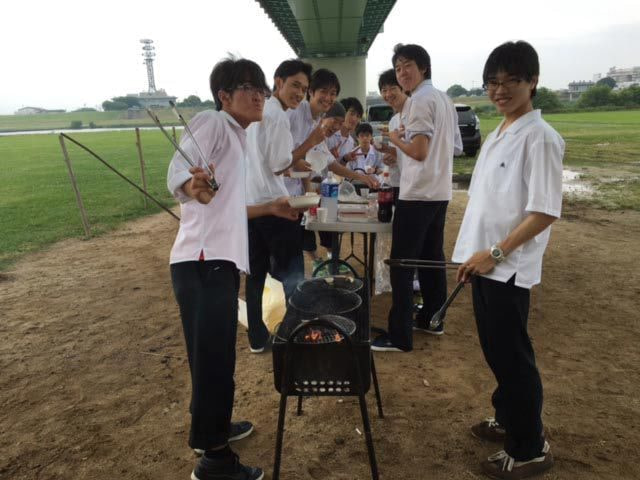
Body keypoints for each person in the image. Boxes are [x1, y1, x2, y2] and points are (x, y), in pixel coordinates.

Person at [167, 57, 300, 480]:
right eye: (250, 88)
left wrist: (272, 208)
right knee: (214, 361)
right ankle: (214, 461)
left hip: (215, 263)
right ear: (224, 96)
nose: (260, 95)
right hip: (203, 262)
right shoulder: (213, 122)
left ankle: (215, 428)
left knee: (211, 356)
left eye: (262, 88)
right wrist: (192, 185)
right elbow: (178, 172)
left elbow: (231, 208)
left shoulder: (238, 136)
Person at [452, 41, 563, 480]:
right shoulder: (500, 132)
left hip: (507, 267)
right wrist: (472, 255)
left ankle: (529, 448)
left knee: (513, 357)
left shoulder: (541, 138)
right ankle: (508, 418)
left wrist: (495, 253)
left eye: (511, 81)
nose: (500, 90)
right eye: (492, 83)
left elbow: (544, 211)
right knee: (497, 351)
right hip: (484, 263)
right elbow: (489, 203)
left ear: (532, 82)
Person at [372, 44, 462, 352]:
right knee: (431, 259)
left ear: (423, 67)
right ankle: (432, 319)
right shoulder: (445, 99)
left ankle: (399, 337)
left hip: (418, 193)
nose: (402, 73)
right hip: (439, 191)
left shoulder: (420, 100)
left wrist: (395, 139)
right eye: (398, 68)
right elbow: (453, 148)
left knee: (402, 263)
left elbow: (420, 152)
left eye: (407, 66)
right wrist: (400, 150)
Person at [244, 59, 312, 354]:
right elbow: (278, 164)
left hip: (251, 204)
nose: (300, 93)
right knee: (293, 274)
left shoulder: (257, 113)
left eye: (304, 89)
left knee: (255, 275)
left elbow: (264, 162)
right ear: (278, 81)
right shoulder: (278, 116)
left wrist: (291, 165)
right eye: (295, 85)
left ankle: (257, 338)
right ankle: (297, 333)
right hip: (275, 206)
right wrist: (304, 150)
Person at [287, 69, 377, 272]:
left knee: (294, 257)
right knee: (288, 258)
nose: (328, 97)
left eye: (333, 93)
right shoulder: (295, 116)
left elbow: (330, 163)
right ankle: (320, 263)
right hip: (284, 197)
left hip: (300, 196)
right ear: (311, 91)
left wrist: (361, 177)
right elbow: (285, 160)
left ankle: (328, 262)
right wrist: (308, 187)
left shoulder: (316, 127)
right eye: (324, 92)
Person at [378, 68, 409, 204]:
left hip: (417, 185)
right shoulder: (393, 121)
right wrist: (389, 154)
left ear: (403, 88)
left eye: (392, 88)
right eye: (384, 90)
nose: (388, 94)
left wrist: (395, 146)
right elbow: (397, 152)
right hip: (397, 182)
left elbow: (420, 151)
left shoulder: (415, 114)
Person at [327, 97, 363, 163]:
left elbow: (341, 166)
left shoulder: (351, 142)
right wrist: (327, 156)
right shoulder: (329, 135)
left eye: (358, 116)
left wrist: (345, 159)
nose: (354, 119)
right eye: (352, 114)